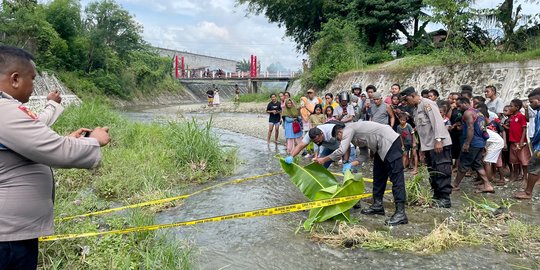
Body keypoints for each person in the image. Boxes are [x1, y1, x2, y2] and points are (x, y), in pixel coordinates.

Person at [0, 45, 111, 269]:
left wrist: (68, 139)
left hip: (13, 232)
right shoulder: (5, 110)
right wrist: (95, 140)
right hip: (8, 238)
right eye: (32, 79)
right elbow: (57, 150)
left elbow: (33, 142)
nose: (33, 87)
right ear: (15, 79)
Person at [315, 121, 408, 226]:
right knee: (378, 176)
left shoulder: (349, 129)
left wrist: (324, 160)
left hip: (390, 142)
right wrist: (350, 164)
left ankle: (401, 213)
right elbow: (364, 155)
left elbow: (341, 151)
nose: (340, 141)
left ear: (340, 132)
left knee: (396, 178)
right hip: (379, 148)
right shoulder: (355, 137)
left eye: (338, 138)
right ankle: (377, 206)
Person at [400, 87, 453, 208]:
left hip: (439, 144)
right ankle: (437, 195)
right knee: (433, 171)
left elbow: (437, 121)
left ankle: (445, 198)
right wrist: (422, 150)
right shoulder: (415, 109)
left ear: (413, 96)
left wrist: (438, 140)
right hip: (429, 146)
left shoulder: (427, 104)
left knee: (441, 170)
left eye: (407, 99)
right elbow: (422, 130)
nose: (405, 103)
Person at [451, 97, 493, 193]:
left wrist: (467, 143)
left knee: (463, 164)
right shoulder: (479, 112)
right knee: (477, 164)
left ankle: (455, 185)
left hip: (473, 143)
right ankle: (487, 185)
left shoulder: (467, 113)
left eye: (459, 105)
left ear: (465, 103)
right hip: (480, 142)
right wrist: (484, 143)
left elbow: (471, 128)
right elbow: (483, 127)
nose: (458, 108)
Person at [514, 88, 540, 199]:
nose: (530, 104)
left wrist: (534, 142)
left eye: (531, 101)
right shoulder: (538, 111)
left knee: (533, 165)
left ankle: (528, 193)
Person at [507, 99, 531, 183]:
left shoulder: (521, 116)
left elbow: (524, 129)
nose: (510, 107)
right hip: (513, 142)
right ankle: (516, 176)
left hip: (520, 143)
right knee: (515, 161)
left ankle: (525, 177)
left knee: (524, 161)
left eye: (511, 106)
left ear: (517, 107)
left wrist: (521, 141)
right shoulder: (512, 117)